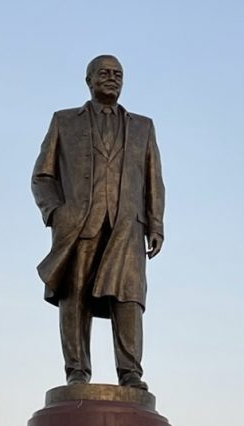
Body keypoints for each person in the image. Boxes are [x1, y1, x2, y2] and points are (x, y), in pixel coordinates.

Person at [32, 55, 165, 390]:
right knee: (74, 294)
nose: (112, 78)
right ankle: (76, 370)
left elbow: (154, 180)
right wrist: (56, 212)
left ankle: (131, 372)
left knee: (128, 298)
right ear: (88, 80)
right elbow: (42, 176)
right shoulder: (64, 121)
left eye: (118, 74)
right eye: (104, 73)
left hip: (126, 226)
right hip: (79, 224)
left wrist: (155, 224)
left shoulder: (142, 127)